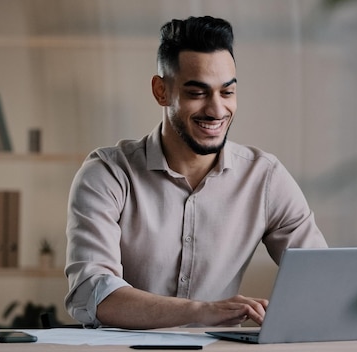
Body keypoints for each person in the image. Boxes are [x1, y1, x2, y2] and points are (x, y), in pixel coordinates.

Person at [64, 15, 327, 330]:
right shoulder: (107, 174)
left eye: (227, 92)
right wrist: (203, 311)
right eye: (197, 93)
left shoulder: (265, 177)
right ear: (161, 91)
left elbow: (321, 278)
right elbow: (92, 294)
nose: (217, 110)